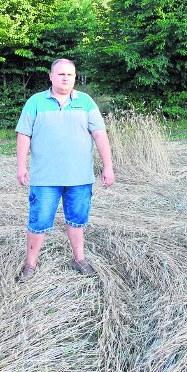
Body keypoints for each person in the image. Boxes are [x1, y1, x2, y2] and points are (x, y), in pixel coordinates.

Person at [15, 58, 115, 282]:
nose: (65, 78)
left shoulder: (86, 102)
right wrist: (21, 166)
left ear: (75, 77)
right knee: (38, 221)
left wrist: (108, 167)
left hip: (79, 178)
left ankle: (79, 259)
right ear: (51, 76)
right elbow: (24, 135)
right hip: (44, 178)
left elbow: (100, 135)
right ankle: (30, 265)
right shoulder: (35, 102)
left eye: (69, 74)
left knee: (77, 220)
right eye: (60, 74)